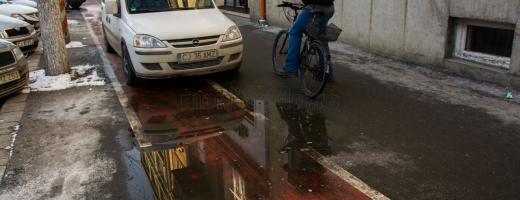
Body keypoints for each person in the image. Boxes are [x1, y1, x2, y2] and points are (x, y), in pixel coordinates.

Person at [279, 0, 335, 82]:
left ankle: (291, 67)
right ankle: (327, 73)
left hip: (314, 7)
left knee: (295, 31)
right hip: (329, 9)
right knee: (321, 37)